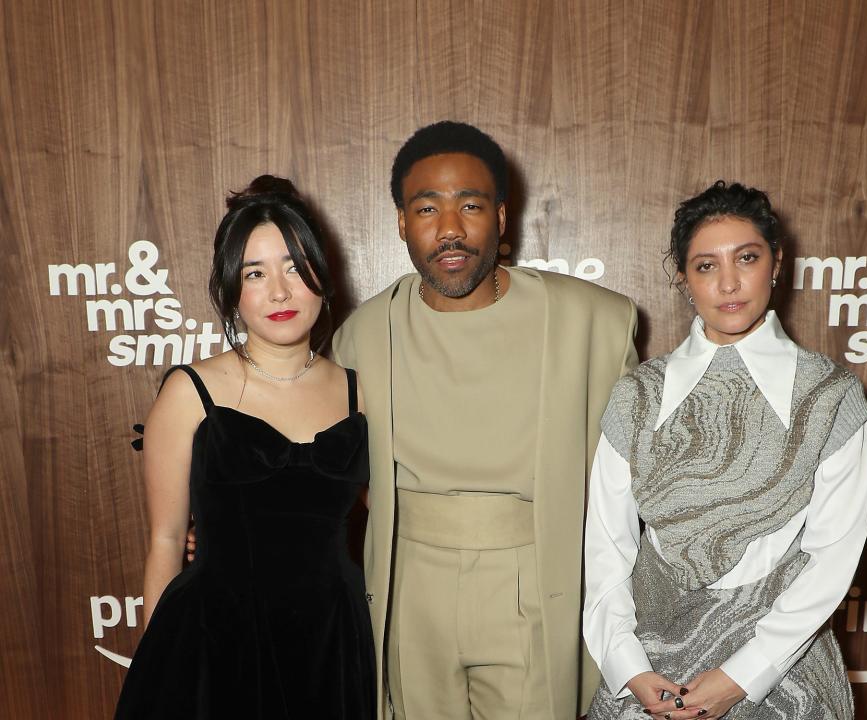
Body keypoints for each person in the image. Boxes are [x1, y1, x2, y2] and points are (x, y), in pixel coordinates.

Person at [332, 121, 640, 719]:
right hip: (407, 583)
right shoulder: (362, 334)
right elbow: (327, 467)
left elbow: (635, 478)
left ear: (501, 217)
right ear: (401, 222)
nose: (450, 229)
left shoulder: (591, 322)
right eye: (427, 208)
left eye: (470, 206)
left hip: (538, 571)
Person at [583, 181, 867, 720]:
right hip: (653, 676)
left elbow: (833, 559)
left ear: (776, 262)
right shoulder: (638, 395)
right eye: (705, 266)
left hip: (789, 675)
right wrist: (628, 668)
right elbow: (607, 548)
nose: (729, 282)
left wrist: (744, 675)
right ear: (683, 277)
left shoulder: (829, 395)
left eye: (746, 258)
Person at [115, 176, 375, 720]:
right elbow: (165, 540)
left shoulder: (360, 391)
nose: (279, 291)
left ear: (322, 278)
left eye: (294, 266)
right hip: (216, 640)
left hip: (331, 642)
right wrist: (161, 672)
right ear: (232, 289)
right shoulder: (190, 391)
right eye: (255, 273)